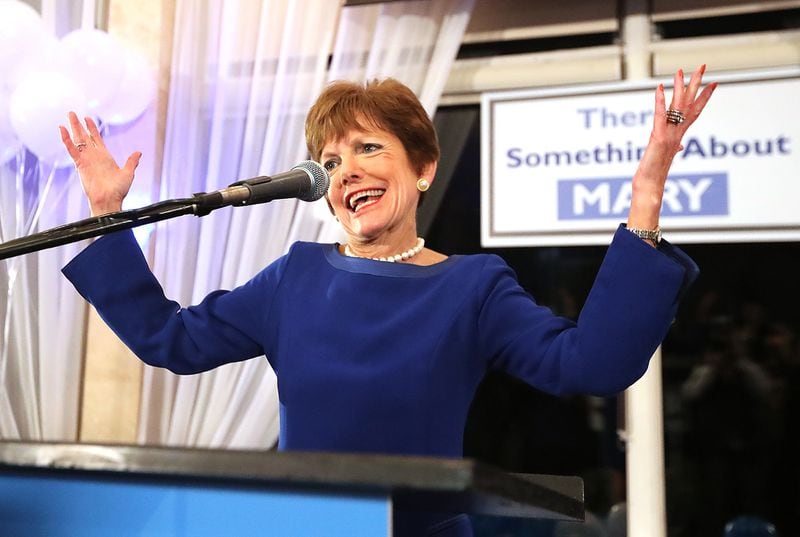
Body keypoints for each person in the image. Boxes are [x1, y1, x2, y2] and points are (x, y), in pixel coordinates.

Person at [59, 66, 715, 537]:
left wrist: (648, 188)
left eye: (368, 147)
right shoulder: (294, 278)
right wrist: (107, 211)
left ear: (423, 167)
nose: (347, 171)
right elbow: (169, 338)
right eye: (331, 160)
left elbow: (592, 363)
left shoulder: (473, 288)